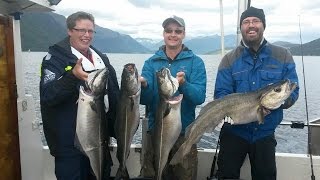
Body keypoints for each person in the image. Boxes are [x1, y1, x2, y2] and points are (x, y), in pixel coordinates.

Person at [214, 7, 299, 180]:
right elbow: (221, 94)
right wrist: (225, 114)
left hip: (265, 134)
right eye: (246, 22)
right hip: (233, 134)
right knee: (226, 176)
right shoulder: (229, 59)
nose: (251, 25)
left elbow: (293, 90)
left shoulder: (283, 55)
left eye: (255, 21)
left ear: (263, 25)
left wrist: (282, 101)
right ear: (241, 28)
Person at [39, 11, 119, 180]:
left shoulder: (101, 59)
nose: (86, 35)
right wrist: (72, 77)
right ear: (69, 31)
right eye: (81, 30)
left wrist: (116, 127)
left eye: (90, 31)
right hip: (69, 146)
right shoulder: (54, 59)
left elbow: (114, 95)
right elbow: (48, 96)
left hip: (99, 138)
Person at [139, 15, 207, 180]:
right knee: (153, 174)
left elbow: (199, 97)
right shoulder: (151, 63)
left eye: (178, 31)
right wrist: (144, 86)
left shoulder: (195, 62)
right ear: (164, 34)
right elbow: (144, 100)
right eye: (169, 31)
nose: (173, 34)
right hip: (156, 132)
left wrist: (184, 84)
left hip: (185, 135)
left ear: (184, 34)